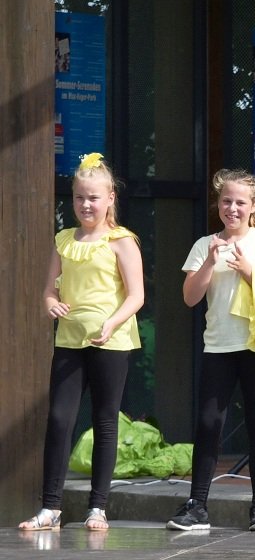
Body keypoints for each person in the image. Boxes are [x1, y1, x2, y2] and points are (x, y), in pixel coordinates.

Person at [19, 153, 144, 532]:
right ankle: (51, 507)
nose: (86, 205)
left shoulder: (122, 241)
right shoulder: (63, 240)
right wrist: (52, 303)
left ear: (110, 199)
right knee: (59, 419)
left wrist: (110, 324)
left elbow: (136, 296)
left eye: (93, 198)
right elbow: (47, 292)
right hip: (70, 340)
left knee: (105, 421)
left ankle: (97, 507)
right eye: (79, 198)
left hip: (111, 341)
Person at [166, 169, 255, 532]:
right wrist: (209, 260)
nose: (232, 208)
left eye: (240, 202)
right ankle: (197, 505)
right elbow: (190, 297)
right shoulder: (205, 244)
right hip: (218, 345)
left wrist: (250, 270)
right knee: (208, 424)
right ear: (218, 204)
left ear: (254, 207)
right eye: (226, 201)